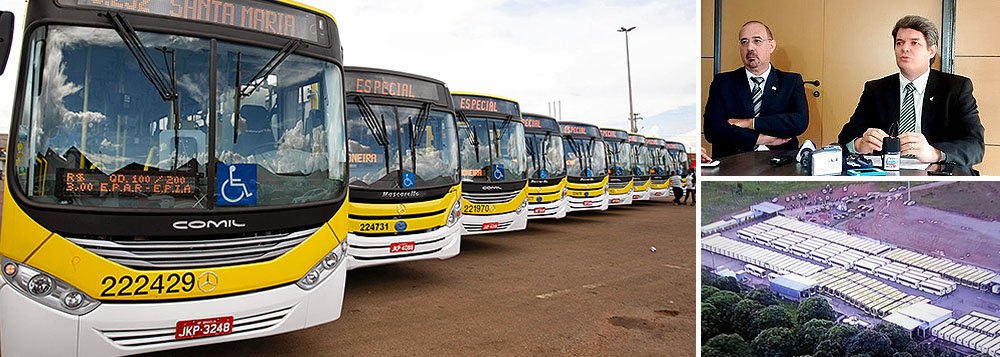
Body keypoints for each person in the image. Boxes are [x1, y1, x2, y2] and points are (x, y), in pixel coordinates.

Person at [838, 15, 984, 167]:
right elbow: (846, 136)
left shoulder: (956, 88)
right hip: (887, 176)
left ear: (931, 51)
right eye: (899, 43)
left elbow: (975, 145)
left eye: (914, 43)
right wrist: (859, 144)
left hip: (938, 177)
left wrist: (934, 153)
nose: (904, 48)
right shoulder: (876, 89)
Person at [703, 20, 809, 158]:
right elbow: (712, 129)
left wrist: (749, 123)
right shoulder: (723, 82)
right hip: (733, 162)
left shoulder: (791, 81)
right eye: (744, 42)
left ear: (771, 45)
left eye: (757, 41)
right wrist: (758, 139)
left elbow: (799, 122)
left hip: (781, 160)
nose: (750, 48)